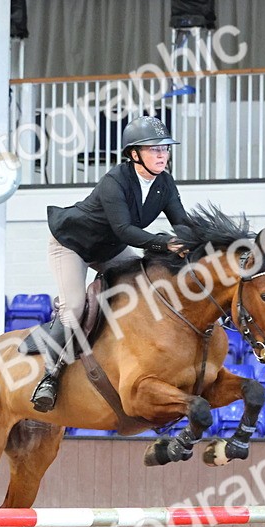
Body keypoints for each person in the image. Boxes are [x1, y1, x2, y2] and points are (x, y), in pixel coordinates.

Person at [30, 115, 191, 412]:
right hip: (72, 245)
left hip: (108, 249)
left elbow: (182, 222)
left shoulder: (164, 183)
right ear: (134, 154)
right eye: (154, 149)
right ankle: (49, 376)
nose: (162, 155)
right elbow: (125, 230)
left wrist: (200, 241)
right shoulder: (115, 181)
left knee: (147, 284)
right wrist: (164, 243)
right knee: (75, 306)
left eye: (165, 149)